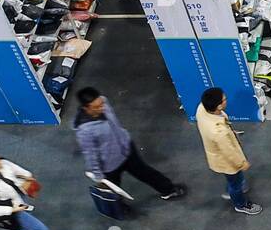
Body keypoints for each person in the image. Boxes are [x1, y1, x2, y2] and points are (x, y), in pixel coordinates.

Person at [74, 88, 187, 200]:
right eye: (97, 107)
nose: (102, 108)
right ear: (86, 108)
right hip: (110, 165)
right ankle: (118, 210)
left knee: (146, 172)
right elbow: (90, 154)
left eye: (101, 104)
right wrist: (98, 175)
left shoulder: (103, 101)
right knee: (112, 192)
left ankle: (169, 190)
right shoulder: (84, 131)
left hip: (126, 149)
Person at [195, 87, 260, 216]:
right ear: (219, 106)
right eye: (224, 99)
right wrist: (242, 163)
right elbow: (229, 152)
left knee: (234, 179)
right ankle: (240, 204)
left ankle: (235, 187)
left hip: (216, 154)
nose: (226, 100)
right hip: (226, 161)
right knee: (235, 181)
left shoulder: (202, 109)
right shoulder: (219, 132)